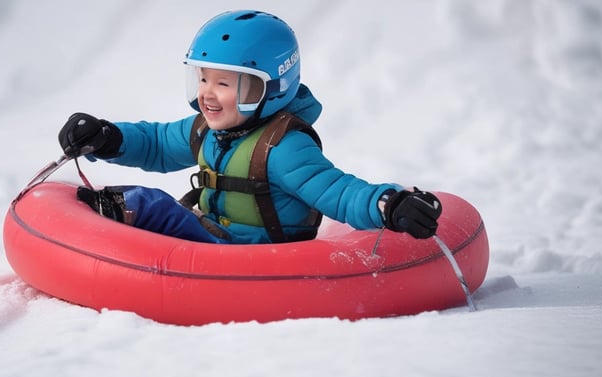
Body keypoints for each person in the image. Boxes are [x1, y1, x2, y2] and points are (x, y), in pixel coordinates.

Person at [57, 10, 441, 244]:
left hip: (252, 254)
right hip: (213, 234)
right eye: (203, 80)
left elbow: (337, 192)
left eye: (224, 84)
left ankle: (102, 225)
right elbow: (157, 144)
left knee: (149, 204)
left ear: (271, 88)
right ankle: (103, 227)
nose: (208, 95)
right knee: (149, 201)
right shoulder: (208, 129)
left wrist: (388, 204)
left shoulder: (284, 148)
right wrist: (107, 137)